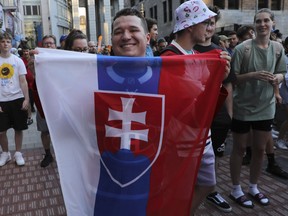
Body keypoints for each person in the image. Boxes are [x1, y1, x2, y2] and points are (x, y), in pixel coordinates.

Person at [160, 0, 231, 214]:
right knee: (183, 188)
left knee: (207, 185)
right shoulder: (169, 58)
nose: (211, 28)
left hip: (198, 134)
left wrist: (219, 79)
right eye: (206, 22)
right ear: (190, 25)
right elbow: (185, 109)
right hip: (182, 138)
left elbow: (203, 105)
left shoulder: (191, 55)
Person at [229, 8, 286, 208]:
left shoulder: (278, 48)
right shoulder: (242, 49)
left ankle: (253, 187)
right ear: (254, 24)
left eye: (266, 21)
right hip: (242, 107)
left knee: (260, 149)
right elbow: (232, 79)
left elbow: (281, 72)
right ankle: (235, 188)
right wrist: (253, 75)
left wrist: (276, 79)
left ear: (273, 23)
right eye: (258, 21)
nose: (262, 24)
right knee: (239, 148)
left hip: (266, 106)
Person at [193, 5, 235, 213]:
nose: (208, 28)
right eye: (204, 22)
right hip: (193, 118)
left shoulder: (221, 52)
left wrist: (229, 115)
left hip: (217, 116)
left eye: (211, 23)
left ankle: (211, 191)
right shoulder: (184, 49)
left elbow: (228, 84)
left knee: (214, 156)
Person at [0, 32, 30, 166]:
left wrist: (27, 99)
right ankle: (5, 153)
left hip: (17, 98)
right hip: (2, 100)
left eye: (7, 41)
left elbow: (23, 81)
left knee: (18, 128)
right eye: (2, 41)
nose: (5, 43)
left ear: (11, 43)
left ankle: (18, 153)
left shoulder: (17, 60)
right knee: (1, 131)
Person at [30, 35, 57, 167]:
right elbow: (32, 78)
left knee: (60, 131)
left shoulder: (62, 59)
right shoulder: (36, 60)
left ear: (55, 46)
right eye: (46, 44)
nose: (48, 46)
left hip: (59, 102)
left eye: (51, 43)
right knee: (44, 131)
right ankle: (48, 154)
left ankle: (61, 153)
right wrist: (32, 64)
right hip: (42, 101)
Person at [21, 45, 35, 125]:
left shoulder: (33, 59)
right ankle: (29, 117)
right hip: (25, 85)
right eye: (24, 51)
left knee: (32, 100)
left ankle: (32, 108)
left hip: (33, 84)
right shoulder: (20, 60)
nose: (26, 53)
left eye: (27, 51)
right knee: (28, 101)